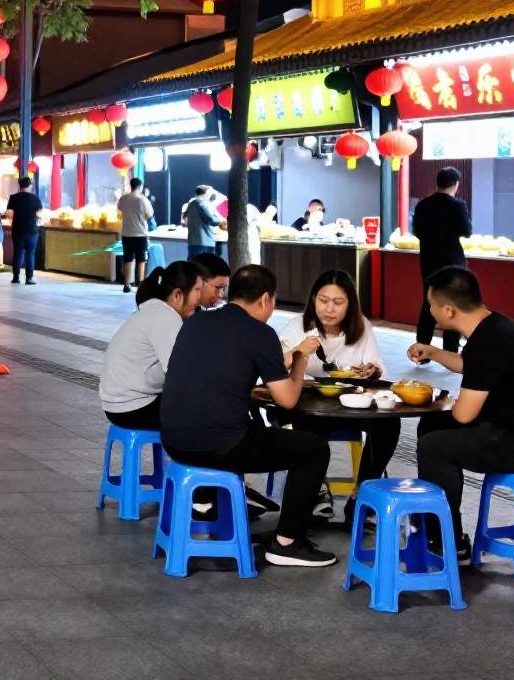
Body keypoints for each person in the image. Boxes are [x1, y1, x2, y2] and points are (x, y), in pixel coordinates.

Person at [159, 264, 337, 568]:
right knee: (313, 449)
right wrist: (301, 358)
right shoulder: (260, 333)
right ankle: (287, 543)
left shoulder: (195, 322)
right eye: (274, 301)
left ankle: (211, 505)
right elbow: (288, 400)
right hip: (222, 445)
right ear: (265, 299)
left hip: (174, 442)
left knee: (251, 428)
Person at [408, 267, 514, 562]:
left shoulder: (489, 342)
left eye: (431, 305)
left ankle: (445, 537)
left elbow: (463, 416)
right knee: (431, 424)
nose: (430, 311)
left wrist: (457, 403)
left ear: (448, 309)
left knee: (434, 447)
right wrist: (432, 351)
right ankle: (441, 526)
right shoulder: (493, 326)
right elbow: (467, 364)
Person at [277, 270, 397, 521]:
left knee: (388, 423)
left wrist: (371, 371)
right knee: (303, 422)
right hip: (309, 408)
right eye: (323, 300)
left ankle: (362, 493)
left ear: (350, 304)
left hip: (350, 406)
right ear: (313, 300)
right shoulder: (298, 327)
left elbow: (374, 368)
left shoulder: (362, 328)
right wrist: (298, 351)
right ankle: (318, 490)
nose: (329, 309)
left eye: (338, 302)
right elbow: (276, 368)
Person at [99, 261, 204, 430]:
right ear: (178, 294)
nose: (199, 297)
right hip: (133, 408)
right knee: (209, 412)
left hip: (119, 404)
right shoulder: (165, 317)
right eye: (197, 290)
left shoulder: (155, 311)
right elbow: (180, 373)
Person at [412, 167, 473, 354]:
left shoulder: (423, 205)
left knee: (429, 303)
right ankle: (450, 349)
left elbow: (417, 232)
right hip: (452, 263)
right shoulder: (458, 205)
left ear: (437, 183)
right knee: (452, 304)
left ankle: (421, 349)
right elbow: (467, 231)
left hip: (429, 261)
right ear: (456, 185)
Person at [3, 176, 43, 284]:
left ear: (19, 186)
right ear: (30, 186)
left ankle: (16, 278)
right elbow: (38, 215)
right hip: (31, 230)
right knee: (30, 254)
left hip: (17, 230)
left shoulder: (14, 198)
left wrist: (15, 219)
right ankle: (29, 278)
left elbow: (9, 213)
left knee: (18, 253)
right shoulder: (35, 198)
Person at [116, 178, 154, 293]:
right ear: (140, 187)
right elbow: (149, 215)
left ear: (130, 186)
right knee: (141, 259)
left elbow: (119, 211)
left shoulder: (123, 199)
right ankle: (140, 284)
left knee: (127, 259)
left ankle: (127, 285)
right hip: (140, 234)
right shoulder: (143, 200)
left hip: (127, 233)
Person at [184, 185, 224, 257]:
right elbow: (211, 219)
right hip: (205, 242)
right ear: (207, 193)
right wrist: (221, 222)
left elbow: (185, 217)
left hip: (192, 242)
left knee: (193, 265)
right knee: (204, 265)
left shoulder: (191, 204)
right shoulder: (205, 204)